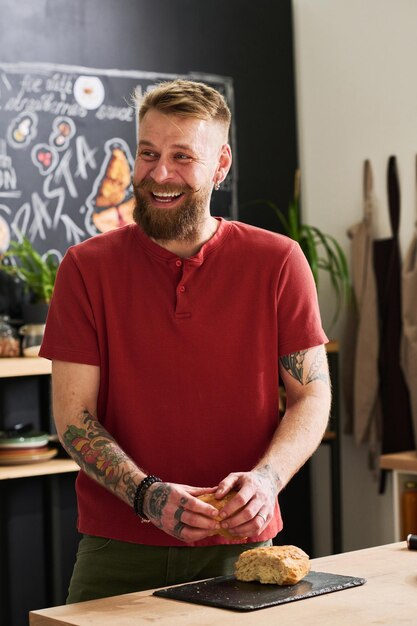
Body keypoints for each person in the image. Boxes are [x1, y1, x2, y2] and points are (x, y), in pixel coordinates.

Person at [39, 79, 331, 603]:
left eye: (182, 156)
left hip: (243, 549)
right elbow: (73, 417)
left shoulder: (279, 262)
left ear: (220, 165)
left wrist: (266, 480)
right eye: (148, 153)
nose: (160, 174)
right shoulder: (85, 269)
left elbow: (311, 395)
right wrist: (146, 495)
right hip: (116, 550)